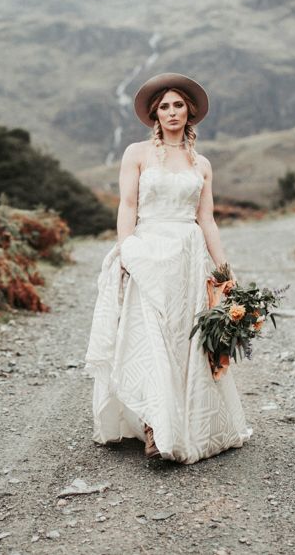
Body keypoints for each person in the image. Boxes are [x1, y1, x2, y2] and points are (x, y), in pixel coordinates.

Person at [83, 72, 252, 463]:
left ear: (188, 112)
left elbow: (206, 220)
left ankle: (184, 421)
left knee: (183, 341)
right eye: (164, 107)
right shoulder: (136, 155)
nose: (172, 112)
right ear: (154, 115)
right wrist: (126, 250)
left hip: (187, 257)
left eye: (178, 105)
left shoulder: (202, 163)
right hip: (148, 250)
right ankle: (155, 429)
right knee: (148, 336)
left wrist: (225, 270)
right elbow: (127, 205)